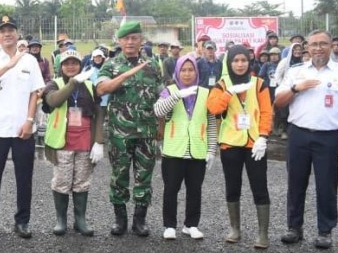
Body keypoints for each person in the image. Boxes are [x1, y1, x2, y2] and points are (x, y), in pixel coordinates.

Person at [275, 31, 338, 249]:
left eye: (323, 44)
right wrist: (296, 88)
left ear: (331, 45)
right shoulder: (296, 72)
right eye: (313, 44)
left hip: (328, 137)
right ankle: (294, 227)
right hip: (298, 135)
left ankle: (325, 230)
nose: (318, 48)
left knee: (327, 185)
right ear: (307, 47)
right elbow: (279, 102)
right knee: (295, 183)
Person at [0, 16, 46, 239]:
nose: (7, 34)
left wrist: (30, 120)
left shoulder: (29, 60)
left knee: (24, 178)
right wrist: (7, 65)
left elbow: (35, 92)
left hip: (22, 128)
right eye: (2, 30)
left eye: (11, 30)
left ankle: (22, 221)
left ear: (17, 33)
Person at [96, 21, 164, 237]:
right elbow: (101, 89)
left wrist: (161, 125)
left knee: (144, 176)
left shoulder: (152, 65)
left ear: (141, 40)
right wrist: (124, 75)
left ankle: (140, 220)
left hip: (146, 132)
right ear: (119, 41)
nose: (130, 42)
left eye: (134, 38)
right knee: (119, 175)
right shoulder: (111, 65)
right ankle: (120, 220)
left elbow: (162, 95)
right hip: (120, 133)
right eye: (126, 38)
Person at [207, 45, 274, 249]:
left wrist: (263, 136)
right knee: (232, 186)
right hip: (231, 143)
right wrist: (228, 93)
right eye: (235, 60)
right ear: (229, 63)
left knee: (259, 186)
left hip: (255, 144)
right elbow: (213, 108)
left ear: (249, 61)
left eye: (243, 60)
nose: (240, 64)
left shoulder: (259, 84)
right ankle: (235, 229)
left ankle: (263, 234)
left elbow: (266, 112)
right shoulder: (221, 85)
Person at [154, 56, 218, 240]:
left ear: (196, 72)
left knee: (195, 189)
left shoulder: (205, 93)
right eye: (183, 70)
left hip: (197, 150)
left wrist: (211, 150)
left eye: (191, 70)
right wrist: (176, 96)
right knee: (171, 189)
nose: (187, 74)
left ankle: (191, 225)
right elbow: (158, 111)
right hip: (174, 150)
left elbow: (211, 123)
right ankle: (169, 225)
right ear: (177, 72)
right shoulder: (169, 91)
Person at [42, 49, 102, 236]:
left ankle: (80, 219)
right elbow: (53, 101)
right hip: (62, 142)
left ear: (80, 65)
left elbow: (99, 113)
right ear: (61, 67)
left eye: (74, 63)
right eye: (66, 63)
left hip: (84, 142)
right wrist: (73, 83)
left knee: (82, 182)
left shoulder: (90, 86)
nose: (70, 66)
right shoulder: (54, 84)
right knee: (61, 181)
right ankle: (61, 220)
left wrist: (99, 141)